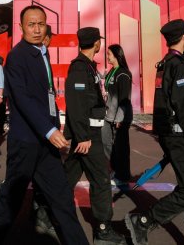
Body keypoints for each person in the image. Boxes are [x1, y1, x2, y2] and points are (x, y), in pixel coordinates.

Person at [0, 5, 88, 245]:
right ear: (21, 27)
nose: (37, 29)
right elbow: (23, 99)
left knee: (62, 200)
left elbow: (46, 96)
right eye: (31, 24)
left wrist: (53, 129)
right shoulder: (17, 57)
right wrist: (49, 130)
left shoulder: (42, 51)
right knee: (9, 202)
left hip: (45, 145)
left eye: (41, 24)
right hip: (27, 142)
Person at [126, 20, 184, 245]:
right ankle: (144, 220)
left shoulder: (165, 63)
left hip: (171, 132)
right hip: (181, 135)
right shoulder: (178, 64)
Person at [51, 27, 120, 243]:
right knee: (100, 180)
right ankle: (102, 228)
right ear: (96, 44)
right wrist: (82, 136)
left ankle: (44, 211)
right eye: (99, 41)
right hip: (88, 135)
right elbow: (77, 105)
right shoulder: (80, 69)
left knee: (67, 177)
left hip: (88, 133)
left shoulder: (88, 67)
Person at [104, 43, 133, 185]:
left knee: (121, 147)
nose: (107, 56)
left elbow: (124, 98)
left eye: (109, 54)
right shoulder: (111, 72)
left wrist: (119, 118)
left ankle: (123, 176)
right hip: (111, 115)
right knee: (113, 147)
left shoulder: (123, 73)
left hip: (121, 117)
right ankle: (116, 172)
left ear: (116, 55)